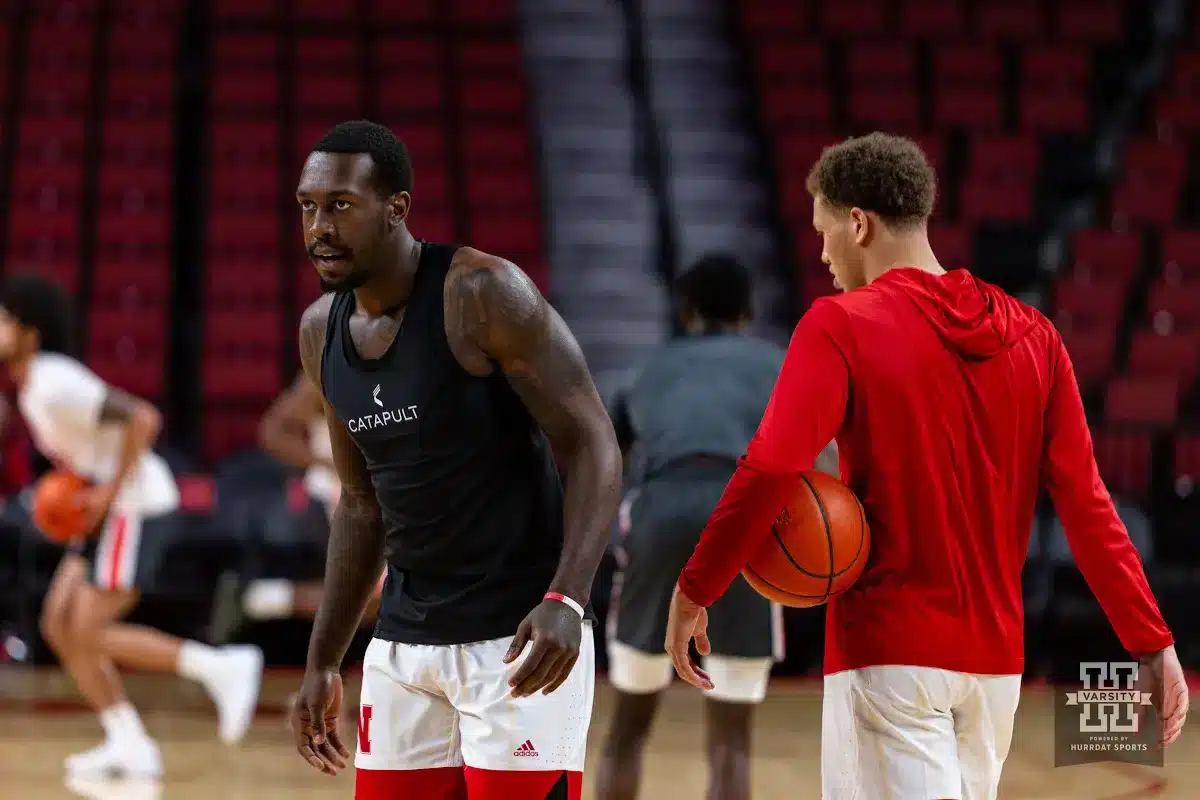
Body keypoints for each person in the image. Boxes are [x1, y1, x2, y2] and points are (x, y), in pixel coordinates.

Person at [664, 133, 1189, 799]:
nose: (823, 254)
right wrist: (1151, 641)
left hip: (888, 653)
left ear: (859, 223)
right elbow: (1087, 506)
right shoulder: (1036, 336)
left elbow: (770, 469)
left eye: (825, 231)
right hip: (994, 668)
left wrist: (695, 590)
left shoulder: (839, 324)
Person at [286, 120, 623, 800]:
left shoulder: (482, 293)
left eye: (341, 206)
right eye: (308, 206)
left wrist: (568, 597)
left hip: (519, 639)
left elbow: (593, 441)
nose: (320, 226)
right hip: (404, 646)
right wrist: (323, 660)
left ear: (396, 209)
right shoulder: (320, 331)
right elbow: (360, 504)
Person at [0, 274, 264, 778]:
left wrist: (106, 492)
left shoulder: (55, 381)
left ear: (28, 332)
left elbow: (143, 418)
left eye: (3, 319)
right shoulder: (34, 383)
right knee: (58, 624)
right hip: (106, 506)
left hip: (134, 505)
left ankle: (221, 667)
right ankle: (128, 742)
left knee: (89, 629)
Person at [596, 254, 837, 800]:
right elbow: (825, 463)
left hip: (660, 515)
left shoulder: (645, 370)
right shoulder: (779, 365)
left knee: (627, 730)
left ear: (686, 310)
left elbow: (603, 463)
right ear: (749, 310)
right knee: (731, 739)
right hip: (745, 519)